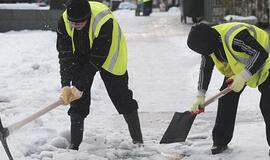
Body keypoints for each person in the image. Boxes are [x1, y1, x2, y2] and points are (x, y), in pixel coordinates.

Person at [56, 0, 143, 150]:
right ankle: (74, 145)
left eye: (79, 22)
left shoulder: (104, 21)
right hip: (81, 53)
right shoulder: (64, 21)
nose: (75, 25)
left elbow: (96, 59)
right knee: (77, 101)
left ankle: (138, 139)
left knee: (121, 97)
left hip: (109, 55)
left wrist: (80, 85)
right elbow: (65, 55)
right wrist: (65, 84)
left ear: (88, 17)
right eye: (73, 22)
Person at [187, 22, 270, 155]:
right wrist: (200, 95)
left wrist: (243, 76)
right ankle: (220, 141)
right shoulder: (207, 41)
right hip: (241, 67)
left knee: (267, 104)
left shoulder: (235, 37)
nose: (205, 55)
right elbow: (205, 68)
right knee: (226, 99)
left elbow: (261, 53)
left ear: (211, 44)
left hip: (267, 61)